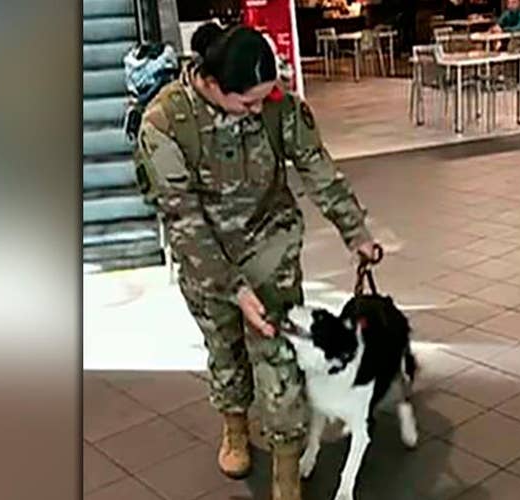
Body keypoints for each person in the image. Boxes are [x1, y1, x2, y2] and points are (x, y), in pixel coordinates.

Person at [134, 23, 377, 500]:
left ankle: (286, 467)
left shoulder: (275, 104)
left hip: (270, 245)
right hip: (206, 257)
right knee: (225, 348)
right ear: (211, 83)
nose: (256, 110)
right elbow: (183, 221)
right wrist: (234, 290)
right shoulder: (165, 124)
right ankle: (235, 428)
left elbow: (316, 166)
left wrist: (356, 232)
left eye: (263, 100)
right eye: (246, 103)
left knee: (280, 355)